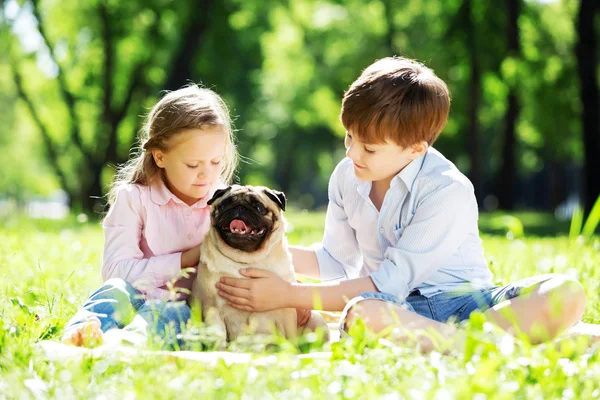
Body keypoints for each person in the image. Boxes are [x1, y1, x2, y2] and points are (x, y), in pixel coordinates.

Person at [216, 56, 589, 353]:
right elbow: (335, 260)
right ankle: (499, 346)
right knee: (362, 314)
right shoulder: (348, 176)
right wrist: (254, 246)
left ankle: (464, 344)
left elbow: (390, 281)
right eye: (349, 137)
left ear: (416, 148)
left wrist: (288, 295)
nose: (351, 152)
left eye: (369, 147)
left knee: (567, 292)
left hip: (469, 306)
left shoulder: (447, 190)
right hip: (398, 311)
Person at [62, 84, 238, 348]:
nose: (206, 174)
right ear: (160, 157)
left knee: (169, 313)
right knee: (114, 293)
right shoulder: (134, 199)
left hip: (182, 305)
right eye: (193, 164)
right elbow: (116, 273)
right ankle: (79, 335)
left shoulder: (226, 205)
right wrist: (189, 258)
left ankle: (123, 344)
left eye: (216, 162)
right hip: (133, 293)